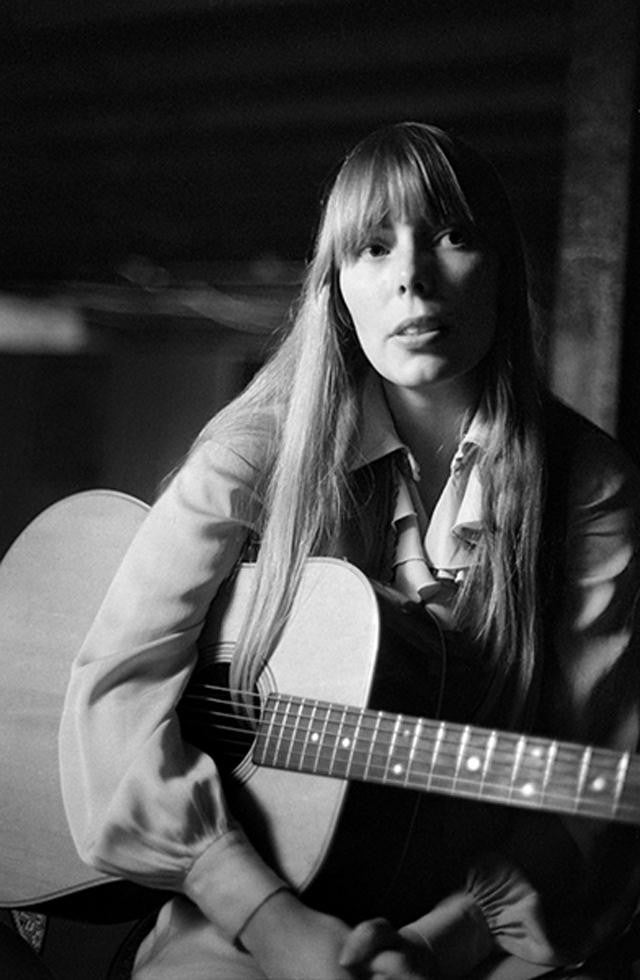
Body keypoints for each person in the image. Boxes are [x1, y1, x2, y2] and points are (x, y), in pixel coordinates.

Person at [59, 122, 640, 979]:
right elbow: (115, 688)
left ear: (505, 271)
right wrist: (271, 921)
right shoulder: (251, 453)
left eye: (453, 235)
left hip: (471, 918)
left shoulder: (590, 484)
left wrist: (442, 939)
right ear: (337, 290)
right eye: (373, 247)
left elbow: (591, 787)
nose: (411, 276)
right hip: (243, 901)